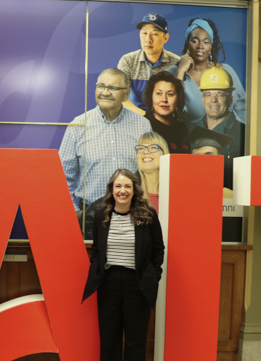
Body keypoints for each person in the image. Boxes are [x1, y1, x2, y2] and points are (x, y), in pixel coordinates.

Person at [82, 169, 165, 361]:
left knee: (136, 341)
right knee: (109, 340)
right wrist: (98, 270)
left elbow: (158, 250)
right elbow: (96, 250)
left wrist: (154, 277)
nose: (122, 191)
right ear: (111, 190)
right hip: (108, 283)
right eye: (118, 186)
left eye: (127, 186)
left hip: (137, 284)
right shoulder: (101, 215)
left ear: (134, 190)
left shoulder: (147, 215)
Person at [60, 68, 151, 238]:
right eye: (101, 86)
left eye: (113, 88)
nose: (105, 92)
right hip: (89, 219)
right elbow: (62, 177)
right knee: (92, 264)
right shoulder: (77, 126)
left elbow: (150, 173)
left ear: (126, 94)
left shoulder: (143, 126)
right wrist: (75, 213)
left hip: (132, 217)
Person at [169, 18, 246, 124]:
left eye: (205, 42)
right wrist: (180, 71)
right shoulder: (173, 73)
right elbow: (170, 111)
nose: (200, 46)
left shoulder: (227, 71)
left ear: (211, 47)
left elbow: (243, 110)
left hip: (227, 136)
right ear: (187, 44)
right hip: (188, 138)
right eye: (195, 41)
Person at [189, 67, 245, 191]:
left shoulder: (244, 134)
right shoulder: (189, 130)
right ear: (203, 100)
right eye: (208, 94)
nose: (213, 100)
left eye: (220, 94)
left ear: (230, 100)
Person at [117, 13, 180, 114]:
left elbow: (180, 99)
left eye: (154, 34)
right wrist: (145, 117)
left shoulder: (176, 63)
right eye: (144, 33)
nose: (148, 39)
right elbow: (119, 95)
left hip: (165, 117)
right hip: (135, 116)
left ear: (165, 38)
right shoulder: (128, 61)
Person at [141, 70, 190, 154]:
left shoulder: (183, 128)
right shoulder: (143, 126)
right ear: (151, 96)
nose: (164, 100)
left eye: (170, 94)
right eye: (159, 93)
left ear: (178, 98)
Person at [187, 126, 235, 198]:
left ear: (220, 160)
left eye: (209, 156)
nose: (202, 162)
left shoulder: (229, 196)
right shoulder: (184, 194)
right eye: (197, 157)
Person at [135, 131, 169, 210]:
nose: (146, 152)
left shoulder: (176, 192)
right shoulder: (130, 194)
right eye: (141, 148)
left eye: (153, 147)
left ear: (164, 153)